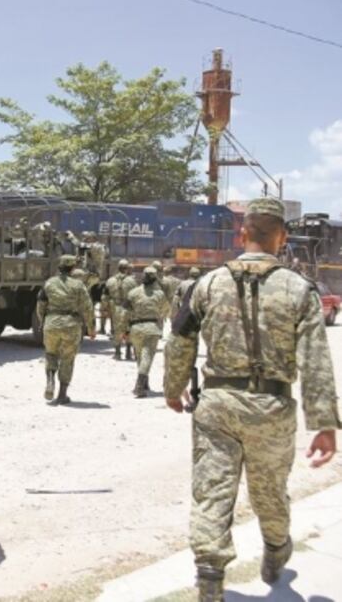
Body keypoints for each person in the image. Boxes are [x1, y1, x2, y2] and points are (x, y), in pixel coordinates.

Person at [163, 196, 340, 601]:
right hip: (272, 409)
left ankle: (209, 579)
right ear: (284, 236)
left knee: (212, 492)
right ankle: (276, 550)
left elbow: (180, 339)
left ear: (242, 233)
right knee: (269, 490)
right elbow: (315, 361)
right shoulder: (300, 290)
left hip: (218, 406)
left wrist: (174, 389)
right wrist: (324, 425)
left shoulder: (207, 283)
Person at [36, 254, 96, 405]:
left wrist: (42, 321)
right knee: (67, 359)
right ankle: (62, 395)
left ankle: (50, 380)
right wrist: (91, 328)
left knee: (50, 354)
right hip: (71, 325)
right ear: (73, 268)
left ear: (59, 266)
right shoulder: (78, 285)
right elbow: (88, 308)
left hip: (52, 323)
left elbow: (40, 304)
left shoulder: (49, 283)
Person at [124, 265, 169, 397]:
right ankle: (139, 386)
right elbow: (166, 310)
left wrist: (125, 329)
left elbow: (125, 311)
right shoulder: (160, 294)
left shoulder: (133, 292)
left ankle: (145, 383)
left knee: (140, 356)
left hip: (135, 328)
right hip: (151, 328)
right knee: (147, 356)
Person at [102, 259, 132, 360]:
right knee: (128, 330)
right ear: (127, 269)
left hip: (115, 307)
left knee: (116, 330)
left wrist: (105, 309)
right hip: (127, 307)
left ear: (118, 268)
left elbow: (104, 296)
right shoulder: (131, 281)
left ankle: (118, 353)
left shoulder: (110, 281)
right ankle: (128, 352)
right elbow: (135, 296)